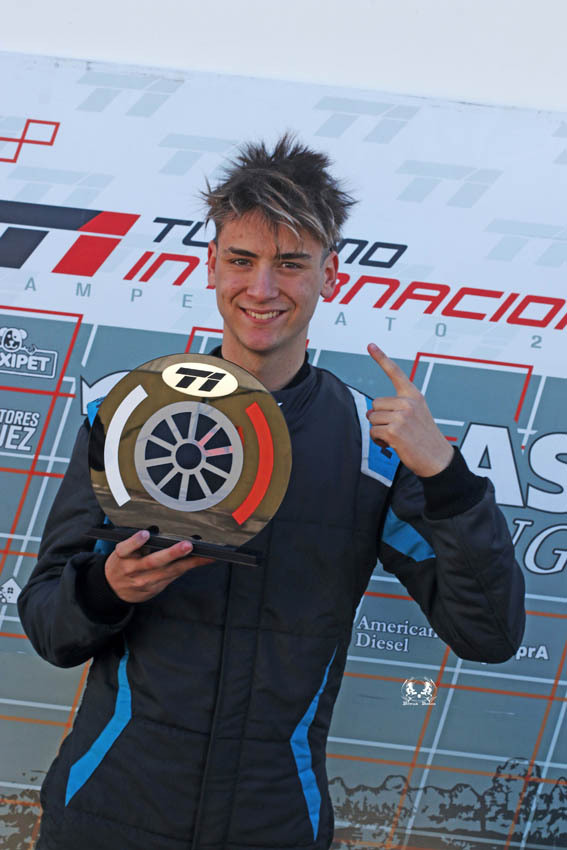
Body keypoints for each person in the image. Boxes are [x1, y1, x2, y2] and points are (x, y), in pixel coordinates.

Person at [18, 135, 525, 850]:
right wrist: (106, 589)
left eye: (290, 264)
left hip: (274, 823)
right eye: (241, 260)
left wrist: (447, 475)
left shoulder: (370, 447)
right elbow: (48, 626)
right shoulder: (132, 415)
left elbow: (489, 634)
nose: (261, 290)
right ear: (210, 266)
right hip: (107, 815)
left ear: (330, 274)